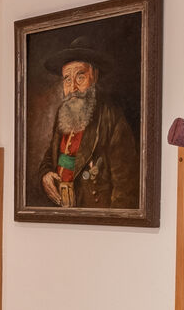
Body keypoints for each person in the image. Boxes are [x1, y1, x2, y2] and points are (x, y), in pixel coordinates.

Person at [34, 46, 139, 209]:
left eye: (80, 77)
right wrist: (45, 174)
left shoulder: (111, 117)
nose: (73, 88)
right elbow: (52, 154)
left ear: (94, 76)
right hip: (61, 213)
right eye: (67, 79)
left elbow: (125, 188)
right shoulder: (63, 112)